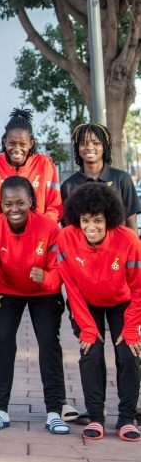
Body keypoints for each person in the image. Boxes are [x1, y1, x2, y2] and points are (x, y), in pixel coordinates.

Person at [0, 176, 70, 434]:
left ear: (31, 201)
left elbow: (59, 271)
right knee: (2, 342)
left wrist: (46, 279)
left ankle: (54, 411)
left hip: (43, 293)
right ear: (0, 205)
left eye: (20, 202)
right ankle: (1, 410)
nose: (14, 209)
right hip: (7, 291)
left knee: (49, 344)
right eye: (8, 204)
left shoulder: (49, 228)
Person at [57, 183, 141, 441]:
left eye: (97, 220)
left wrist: (130, 328)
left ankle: (126, 418)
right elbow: (70, 286)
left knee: (128, 353)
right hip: (86, 303)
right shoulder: (66, 238)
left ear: (110, 219)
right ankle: (96, 416)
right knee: (90, 352)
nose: (91, 227)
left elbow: (138, 287)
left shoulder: (128, 240)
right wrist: (88, 328)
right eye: (84, 220)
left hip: (122, 302)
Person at [0, 108, 62, 224]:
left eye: (22, 144)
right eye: (12, 143)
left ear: (31, 143)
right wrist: (6, 227)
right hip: (2, 235)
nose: (17, 149)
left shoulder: (45, 164)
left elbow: (55, 206)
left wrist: (40, 227)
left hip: (39, 234)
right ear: (4, 141)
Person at [61, 123, 139, 231]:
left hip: (118, 246)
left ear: (104, 147)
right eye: (83, 143)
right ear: (77, 148)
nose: (89, 147)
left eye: (96, 143)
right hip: (82, 247)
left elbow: (132, 224)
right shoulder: (68, 185)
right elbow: (68, 228)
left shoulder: (122, 179)